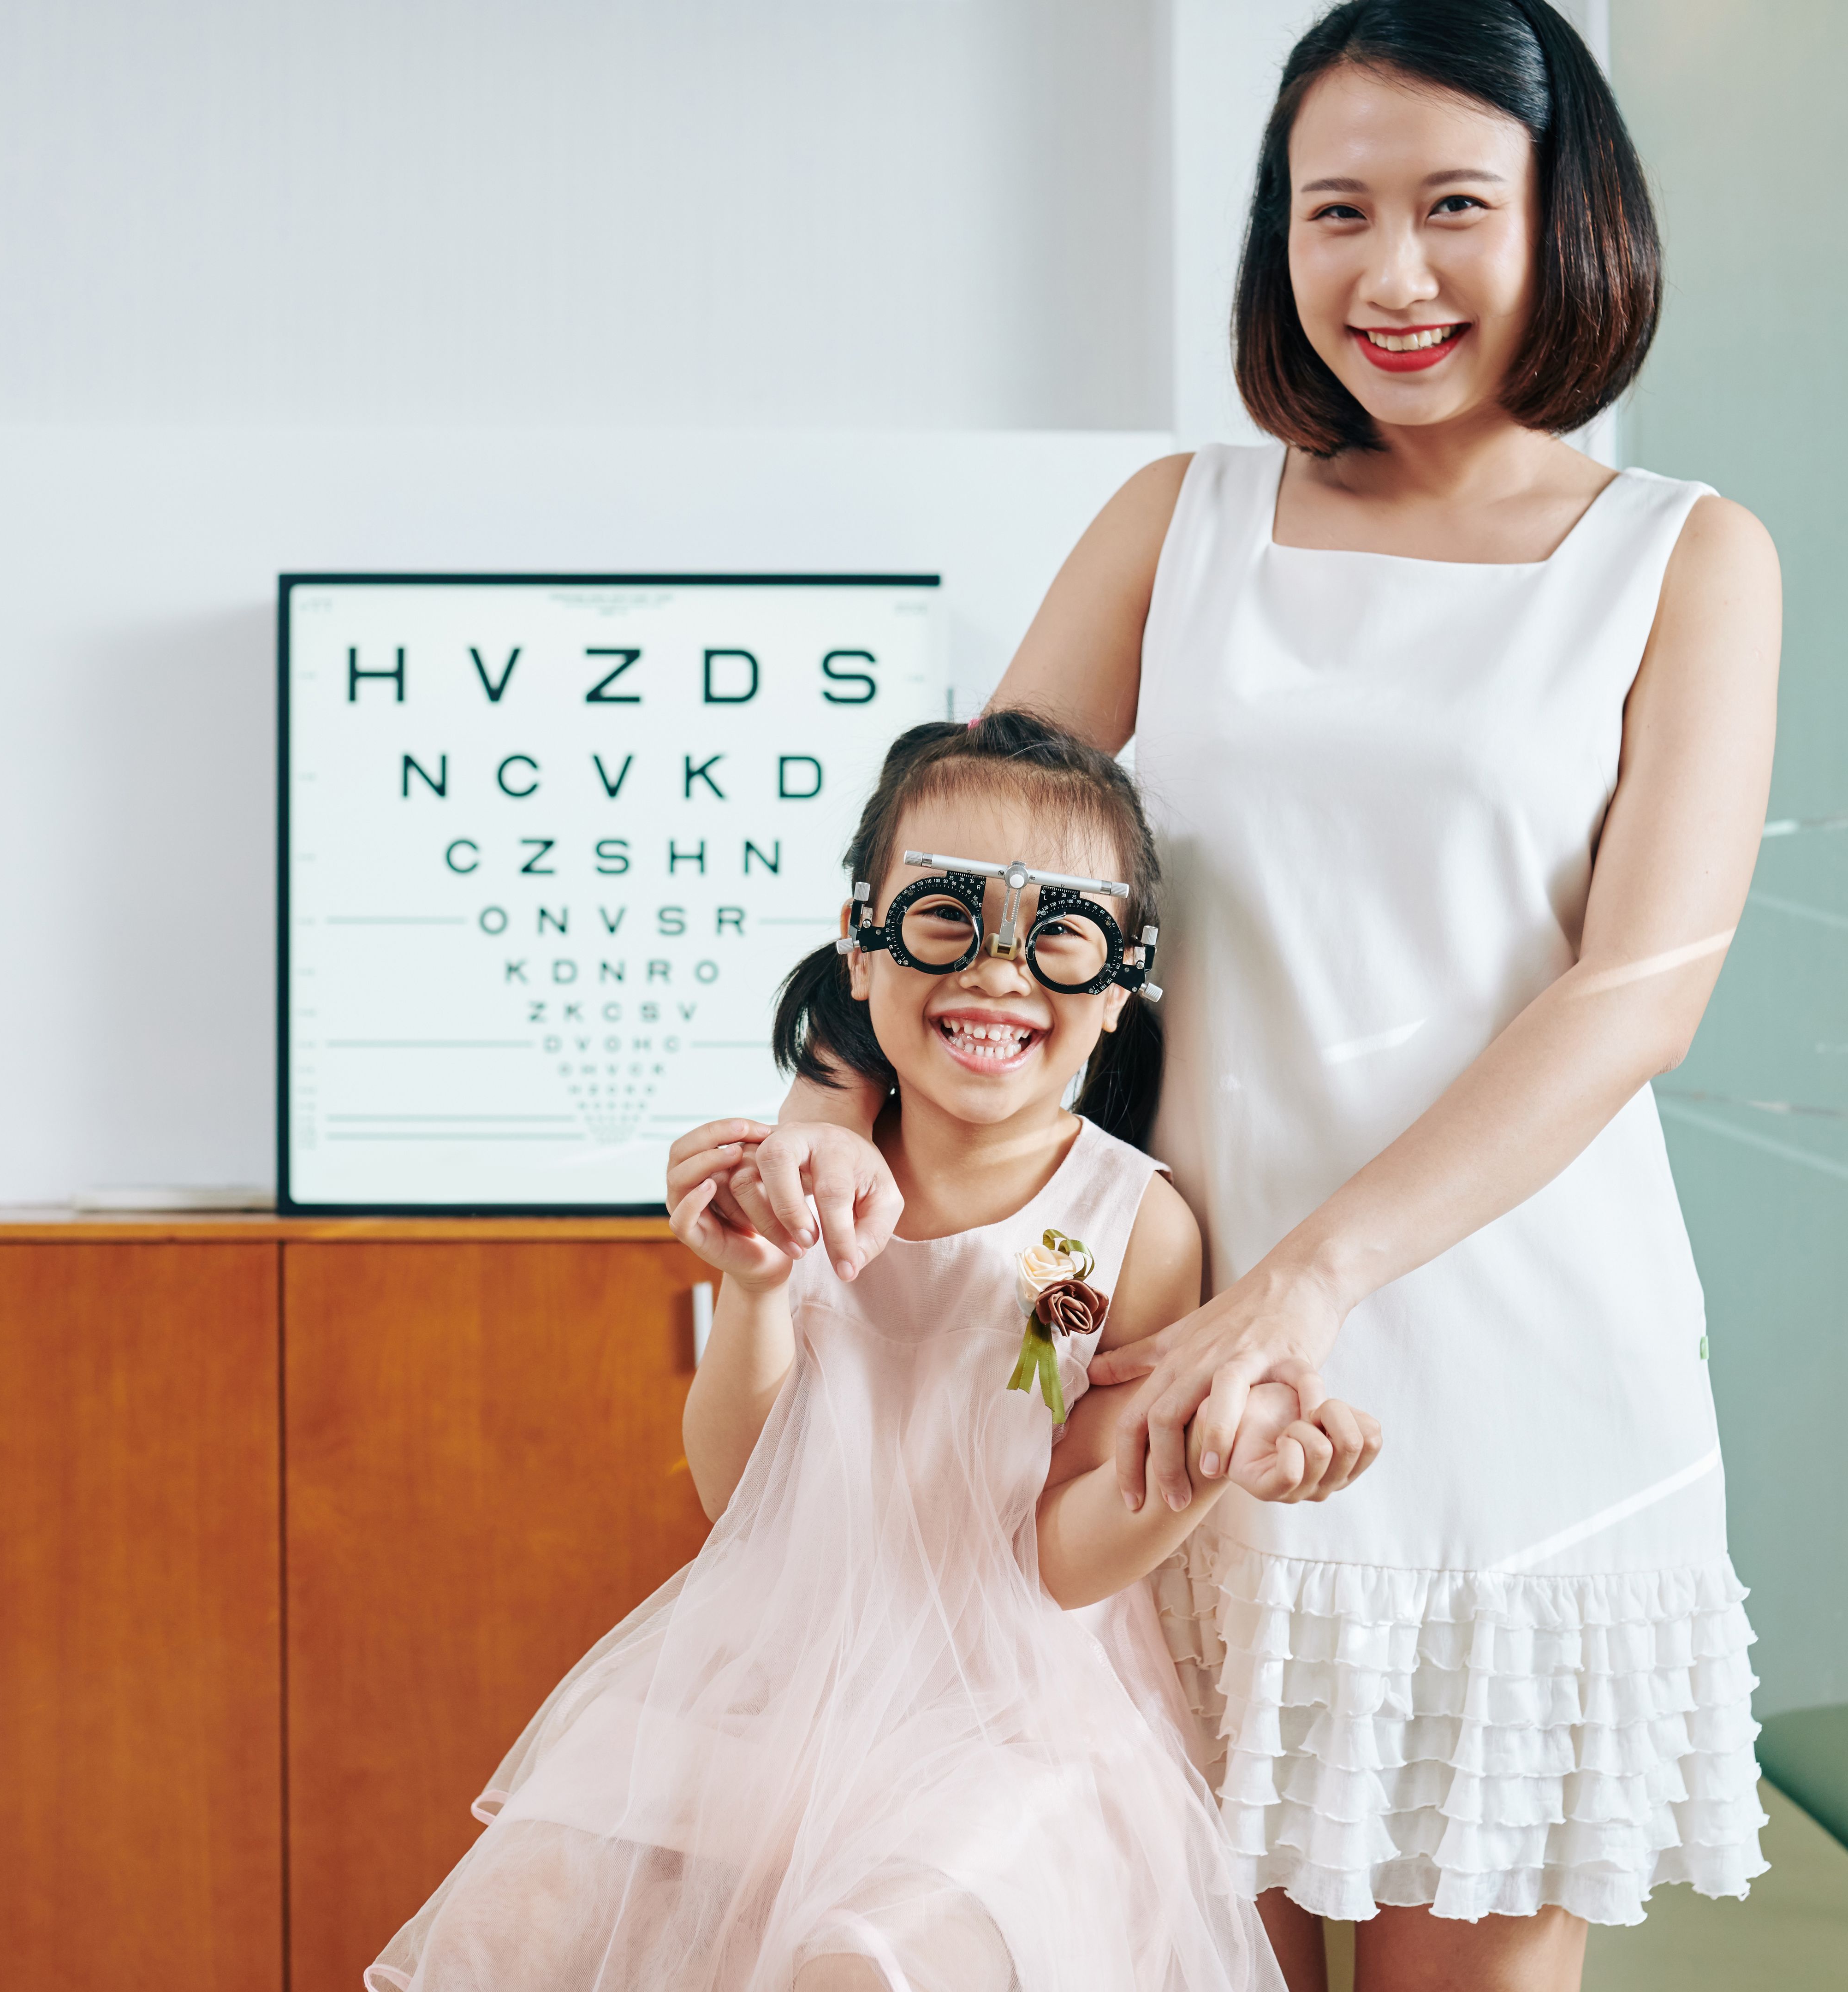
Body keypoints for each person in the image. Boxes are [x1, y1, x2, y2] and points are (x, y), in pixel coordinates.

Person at [709, 5, 1784, 1988]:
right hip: (1155, 1359)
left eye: (1457, 207)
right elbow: (966, 877)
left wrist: (1318, 1281)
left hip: (1508, 1372)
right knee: (1156, 1942)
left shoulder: (1683, 559)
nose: (1391, 273)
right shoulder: (1176, 521)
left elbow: (1634, 996)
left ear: (1573, 221)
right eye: (1334, 212)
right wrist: (821, 1113)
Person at [369, 712, 1382, 1992]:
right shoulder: (803, 1191)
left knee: (864, 1967)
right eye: (946, 917)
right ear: (860, 948)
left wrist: (1185, 1476)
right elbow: (741, 1497)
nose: (1001, 974)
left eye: (1059, 933)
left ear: (1119, 985)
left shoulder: (1102, 1237)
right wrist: (754, 1291)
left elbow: (1052, 1554)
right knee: (524, 1922)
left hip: (1002, 1718)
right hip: (765, 1680)